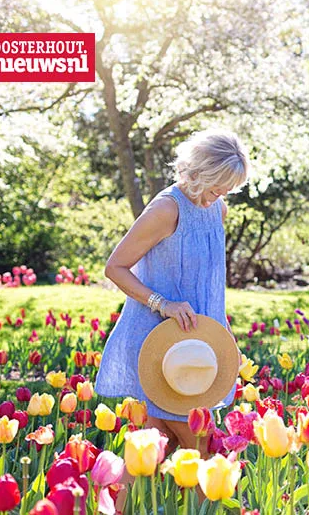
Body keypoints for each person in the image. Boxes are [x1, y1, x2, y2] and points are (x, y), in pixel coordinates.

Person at [96, 129, 250, 455]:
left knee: (151, 454)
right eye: (214, 188)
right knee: (206, 450)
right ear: (197, 173)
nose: (217, 198)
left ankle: (109, 506)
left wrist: (225, 336)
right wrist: (162, 303)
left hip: (197, 346)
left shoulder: (217, 210)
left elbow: (209, 286)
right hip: (164, 346)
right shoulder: (166, 210)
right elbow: (115, 267)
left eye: (226, 191)